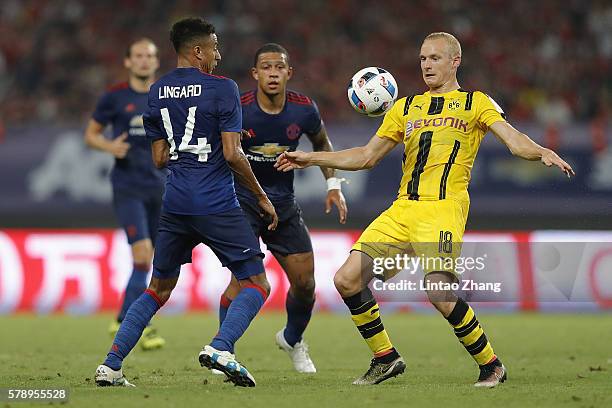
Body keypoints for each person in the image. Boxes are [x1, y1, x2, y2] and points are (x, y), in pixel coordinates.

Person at [276, 32, 574, 387]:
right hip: (403, 210)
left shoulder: (475, 103)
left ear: (454, 61)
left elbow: (513, 139)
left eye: (435, 58)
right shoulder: (404, 108)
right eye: (422, 59)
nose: (427, 65)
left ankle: (491, 365)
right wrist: (310, 157)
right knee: (346, 279)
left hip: (443, 210)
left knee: (439, 293)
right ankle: (385, 358)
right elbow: (365, 156)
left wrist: (540, 151)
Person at [94, 17, 278, 388]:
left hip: (174, 202)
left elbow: (159, 158)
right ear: (197, 51)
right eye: (213, 46)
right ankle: (221, 347)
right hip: (214, 201)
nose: (218, 54)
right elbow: (232, 153)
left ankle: (111, 365)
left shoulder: (157, 91)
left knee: (158, 288)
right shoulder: (223, 88)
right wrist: (261, 197)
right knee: (256, 281)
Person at [217, 43, 347, 374]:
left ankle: (292, 339)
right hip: (242, 203)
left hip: (284, 205)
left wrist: (333, 186)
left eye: (279, 67)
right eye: (266, 67)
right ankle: (223, 349)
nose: (273, 73)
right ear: (255, 74)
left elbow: (322, 144)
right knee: (242, 282)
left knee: (305, 284)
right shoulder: (239, 108)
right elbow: (224, 153)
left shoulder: (304, 109)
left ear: (289, 73)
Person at [84, 38, 166, 350]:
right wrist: (109, 146)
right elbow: (91, 135)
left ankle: (122, 318)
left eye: (150, 56)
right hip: (128, 186)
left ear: (157, 62)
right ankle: (138, 324)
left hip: (160, 186)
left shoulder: (165, 97)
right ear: (128, 62)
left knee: (151, 260)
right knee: (142, 255)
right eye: (138, 56)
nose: (144, 61)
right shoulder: (114, 98)